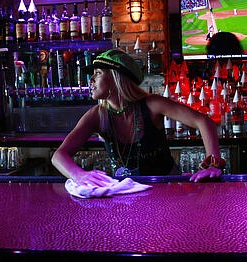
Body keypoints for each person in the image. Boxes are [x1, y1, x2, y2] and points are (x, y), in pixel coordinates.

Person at [51, 48, 225, 186]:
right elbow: (59, 155)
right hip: (125, 194)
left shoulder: (151, 104)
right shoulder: (97, 115)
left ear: (116, 77)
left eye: (97, 73)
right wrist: (78, 175)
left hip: (166, 190)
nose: (91, 79)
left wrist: (213, 165)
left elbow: (203, 121)